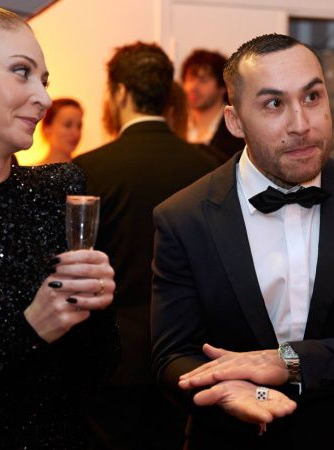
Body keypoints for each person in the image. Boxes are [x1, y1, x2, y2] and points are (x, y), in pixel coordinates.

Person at [151, 33, 334, 450]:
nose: (301, 125)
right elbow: (172, 356)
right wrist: (234, 393)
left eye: (312, 97)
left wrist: (287, 362)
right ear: (235, 121)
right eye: (274, 104)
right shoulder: (184, 217)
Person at [0, 4, 118, 448]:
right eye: (21, 72)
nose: (44, 98)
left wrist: (97, 305)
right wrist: (31, 329)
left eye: (44, 80)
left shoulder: (58, 191)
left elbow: (96, 373)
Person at [73, 41, 219, 450]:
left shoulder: (88, 169)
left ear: (119, 92)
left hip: (110, 351)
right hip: (188, 351)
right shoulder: (210, 168)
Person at [182, 48, 245, 158]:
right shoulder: (174, 124)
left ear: (223, 86)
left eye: (203, 80)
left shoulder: (237, 129)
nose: (193, 87)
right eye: (190, 79)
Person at [35, 97, 83, 165]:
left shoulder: (88, 169)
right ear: (47, 129)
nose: (76, 133)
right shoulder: (32, 170)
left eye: (79, 126)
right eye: (67, 125)